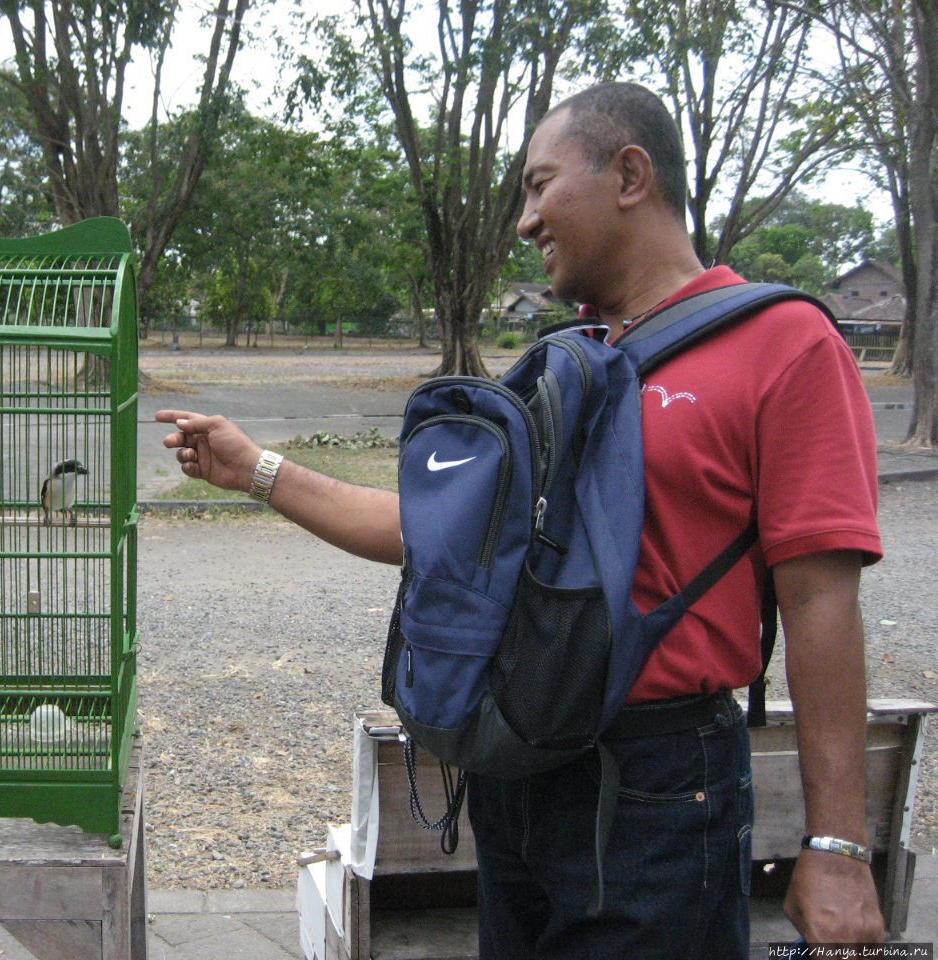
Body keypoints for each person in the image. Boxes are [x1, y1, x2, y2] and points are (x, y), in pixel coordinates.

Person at [156, 81, 885, 957]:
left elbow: (819, 603)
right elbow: (441, 541)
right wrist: (256, 471)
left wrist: (837, 848)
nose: (527, 221)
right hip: (520, 770)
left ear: (629, 174)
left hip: (660, 787)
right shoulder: (561, 366)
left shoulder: (785, 345)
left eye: (541, 186)